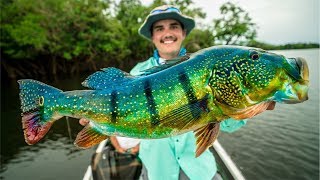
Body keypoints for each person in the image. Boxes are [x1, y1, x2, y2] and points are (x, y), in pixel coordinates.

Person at [80, 4, 276, 180]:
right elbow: (118, 112)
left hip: (199, 171)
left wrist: (249, 104)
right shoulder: (136, 73)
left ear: (183, 33)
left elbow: (230, 127)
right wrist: (104, 127)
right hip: (157, 172)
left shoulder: (205, 67)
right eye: (159, 28)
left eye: (174, 26)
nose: (167, 33)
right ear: (153, 36)